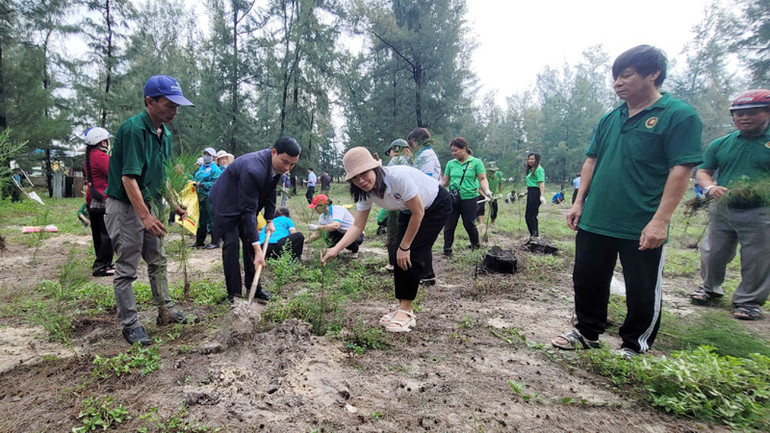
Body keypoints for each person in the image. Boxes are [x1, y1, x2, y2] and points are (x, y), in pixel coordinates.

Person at [551, 45, 703, 359]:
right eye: (615, 77)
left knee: (642, 286)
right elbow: (592, 160)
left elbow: (681, 169)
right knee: (587, 278)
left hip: (641, 219)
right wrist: (579, 202)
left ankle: (634, 344)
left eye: (626, 75)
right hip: (597, 216)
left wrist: (660, 220)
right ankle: (587, 332)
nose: (618, 83)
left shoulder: (678, 115)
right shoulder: (611, 118)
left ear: (654, 73)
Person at [104, 75, 194, 346]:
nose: (175, 111)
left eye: (177, 106)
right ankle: (131, 325)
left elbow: (161, 176)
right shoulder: (133, 130)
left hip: (150, 204)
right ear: (150, 102)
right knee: (127, 267)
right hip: (126, 206)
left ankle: (165, 311)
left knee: (158, 260)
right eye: (169, 105)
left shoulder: (164, 134)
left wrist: (173, 203)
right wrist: (144, 216)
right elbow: (128, 178)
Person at [321, 147, 452, 333]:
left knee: (411, 253)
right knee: (396, 254)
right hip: (408, 209)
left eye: (364, 173)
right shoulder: (365, 192)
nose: (361, 180)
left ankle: (406, 312)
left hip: (435, 205)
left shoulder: (398, 178)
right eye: (355, 178)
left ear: (374, 168)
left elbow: (419, 212)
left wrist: (405, 246)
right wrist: (336, 249)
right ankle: (402, 307)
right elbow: (357, 226)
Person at [690, 89, 770, 321]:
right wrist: (709, 188)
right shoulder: (722, 144)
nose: (744, 118)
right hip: (724, 208)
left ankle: (749, 302)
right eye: (738, 114)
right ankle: (710, 289)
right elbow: (703, 171)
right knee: (712, 252)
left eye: (752, 113)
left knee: (757, 258)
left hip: (761, 210)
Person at [209, 136, 301, 302]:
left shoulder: (276, 166)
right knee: (232, 246)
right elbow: (248, 211)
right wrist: (258, 248)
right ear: (274, 152)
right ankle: (235, 295)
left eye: (292, 165)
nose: (287, 168)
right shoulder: (254, 168)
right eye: (285, 162)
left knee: (250, 245)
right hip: (225, 205)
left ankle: (255, 288)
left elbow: (270, 191)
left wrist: (269, 220)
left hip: (244, 203)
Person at [441, 137, 492, 257]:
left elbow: (482, 179)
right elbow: (445, 180)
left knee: (469, 223)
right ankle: (447, 250)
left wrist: (487, 190)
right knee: (449, 224)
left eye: (456, 150)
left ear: (464, 148)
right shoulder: (451, 164)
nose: (453, 153)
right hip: (453, 197)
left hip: (469, 198)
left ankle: (475, 246)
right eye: (452, 151)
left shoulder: (476, 162)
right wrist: (436, 189)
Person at [83, 126, 115, 277]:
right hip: (103, 199)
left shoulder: (89, 156)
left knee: (98, 233)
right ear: (102, 142)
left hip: (92, 199)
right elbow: (115, 173)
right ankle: (103, 265)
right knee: (107, 233)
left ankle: (101, 262)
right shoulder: (101, 157)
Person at [306, 194, 364, 258]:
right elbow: (318, 233)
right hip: (340, 234)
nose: (315, 209)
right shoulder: (322, 217)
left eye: (316, 207)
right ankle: (333, 251)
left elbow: (335, 226)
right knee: (326, 233)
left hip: (355, 234)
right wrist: (304, 241)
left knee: (332, 230)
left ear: (322, 205)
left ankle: (354, 251)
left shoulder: (338, 209)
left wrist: (316, 227)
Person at [191, 147, 222, 249]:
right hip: (200, 197)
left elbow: (216, 184)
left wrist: (202, 185)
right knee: (202, 220)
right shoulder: (201, 168)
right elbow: (197, 178)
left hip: (210, 197)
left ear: (213, 157)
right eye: (205, 154)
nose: (206, 156)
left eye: (209, 154)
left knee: (212, 219)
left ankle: (215, 242)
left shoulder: (215, 170)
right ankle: (199, 241)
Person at [524, 153, 546, 238]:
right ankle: (533, 234)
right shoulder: (531, 170)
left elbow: (541, 183)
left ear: (537, 160)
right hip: (531, 191)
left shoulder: (538, 169)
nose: (530, 161)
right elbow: (532, 183)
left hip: (535, 193)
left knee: (531, 215)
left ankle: (535, 235)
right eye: (529, 159)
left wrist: (542, 195)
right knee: (529, 215)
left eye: (532, 159)